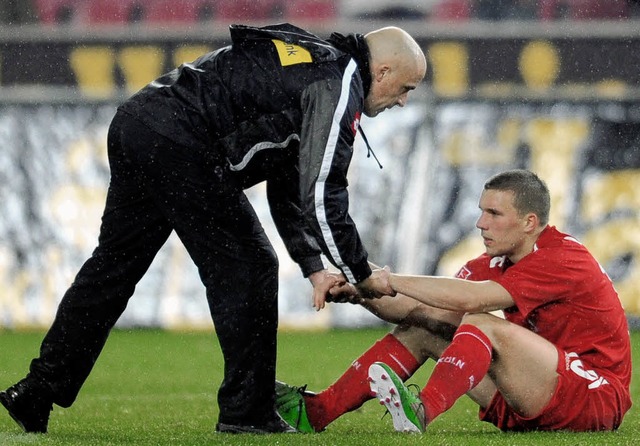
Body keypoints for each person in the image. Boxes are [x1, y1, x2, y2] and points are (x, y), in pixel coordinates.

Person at [0, 23, 427, 435]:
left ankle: (37, 391)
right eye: (406, 88)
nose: (404, 101)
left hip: (139, 122)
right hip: (181, 141)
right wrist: (360, 271)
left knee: (111, 270)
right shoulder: (337, 86)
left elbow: (290, 181)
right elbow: (323, 191)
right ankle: (248, 412)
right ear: (383, 70)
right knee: (251, 265)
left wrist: (314, 265)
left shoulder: (315, 66)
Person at [276, 169, 632, 433]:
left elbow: (473, 299)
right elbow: (413, 307)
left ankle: (422, 410)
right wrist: (360, 287)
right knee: (425, 323)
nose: (480, 223)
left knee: (478, 321)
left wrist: (388, 278)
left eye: (494, 214)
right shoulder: (498, 262)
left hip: (593, 397)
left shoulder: (562, 257)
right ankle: (318, 412)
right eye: (481, 211)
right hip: (537, 391)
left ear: (529, 222)